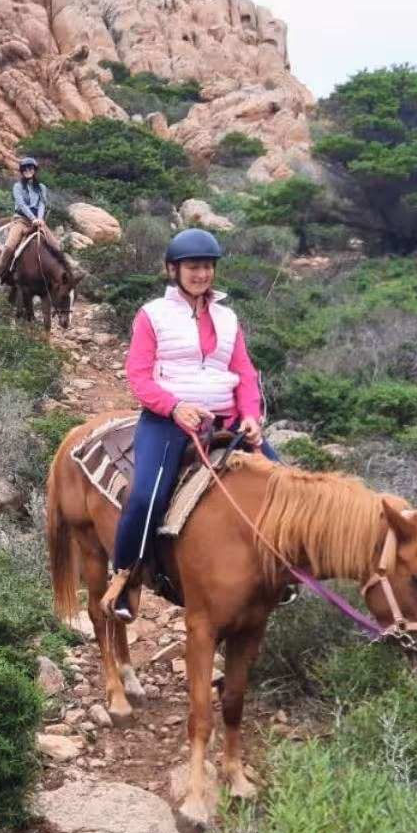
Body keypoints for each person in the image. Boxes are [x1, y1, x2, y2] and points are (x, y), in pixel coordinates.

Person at [103, 229, 282, 622]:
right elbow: (138, 376)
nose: (201, 274)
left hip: (228, 419)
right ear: (174, 270)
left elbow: (244, 372)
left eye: (207, 267)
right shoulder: (153, 314)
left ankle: (282, 575)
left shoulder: (227, 317)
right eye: (193, 267)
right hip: (170, 420)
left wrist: (251, 416)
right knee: (146, 496)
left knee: (286, 482)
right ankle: (123, 575)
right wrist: (175, 406)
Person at [0, 156, 54, 293]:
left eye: (30, 168)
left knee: (56, 246)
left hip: (38, 221)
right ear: (22, 171)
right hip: (21, 220)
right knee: (9, 247)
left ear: (34, 170)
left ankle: (54, 276)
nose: (28, 170)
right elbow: (21, 204)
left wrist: (39, 218)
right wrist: (33, 218)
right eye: (25, 169)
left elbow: (42, 204)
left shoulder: (41, 187)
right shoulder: (18, 186)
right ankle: (0, 276)